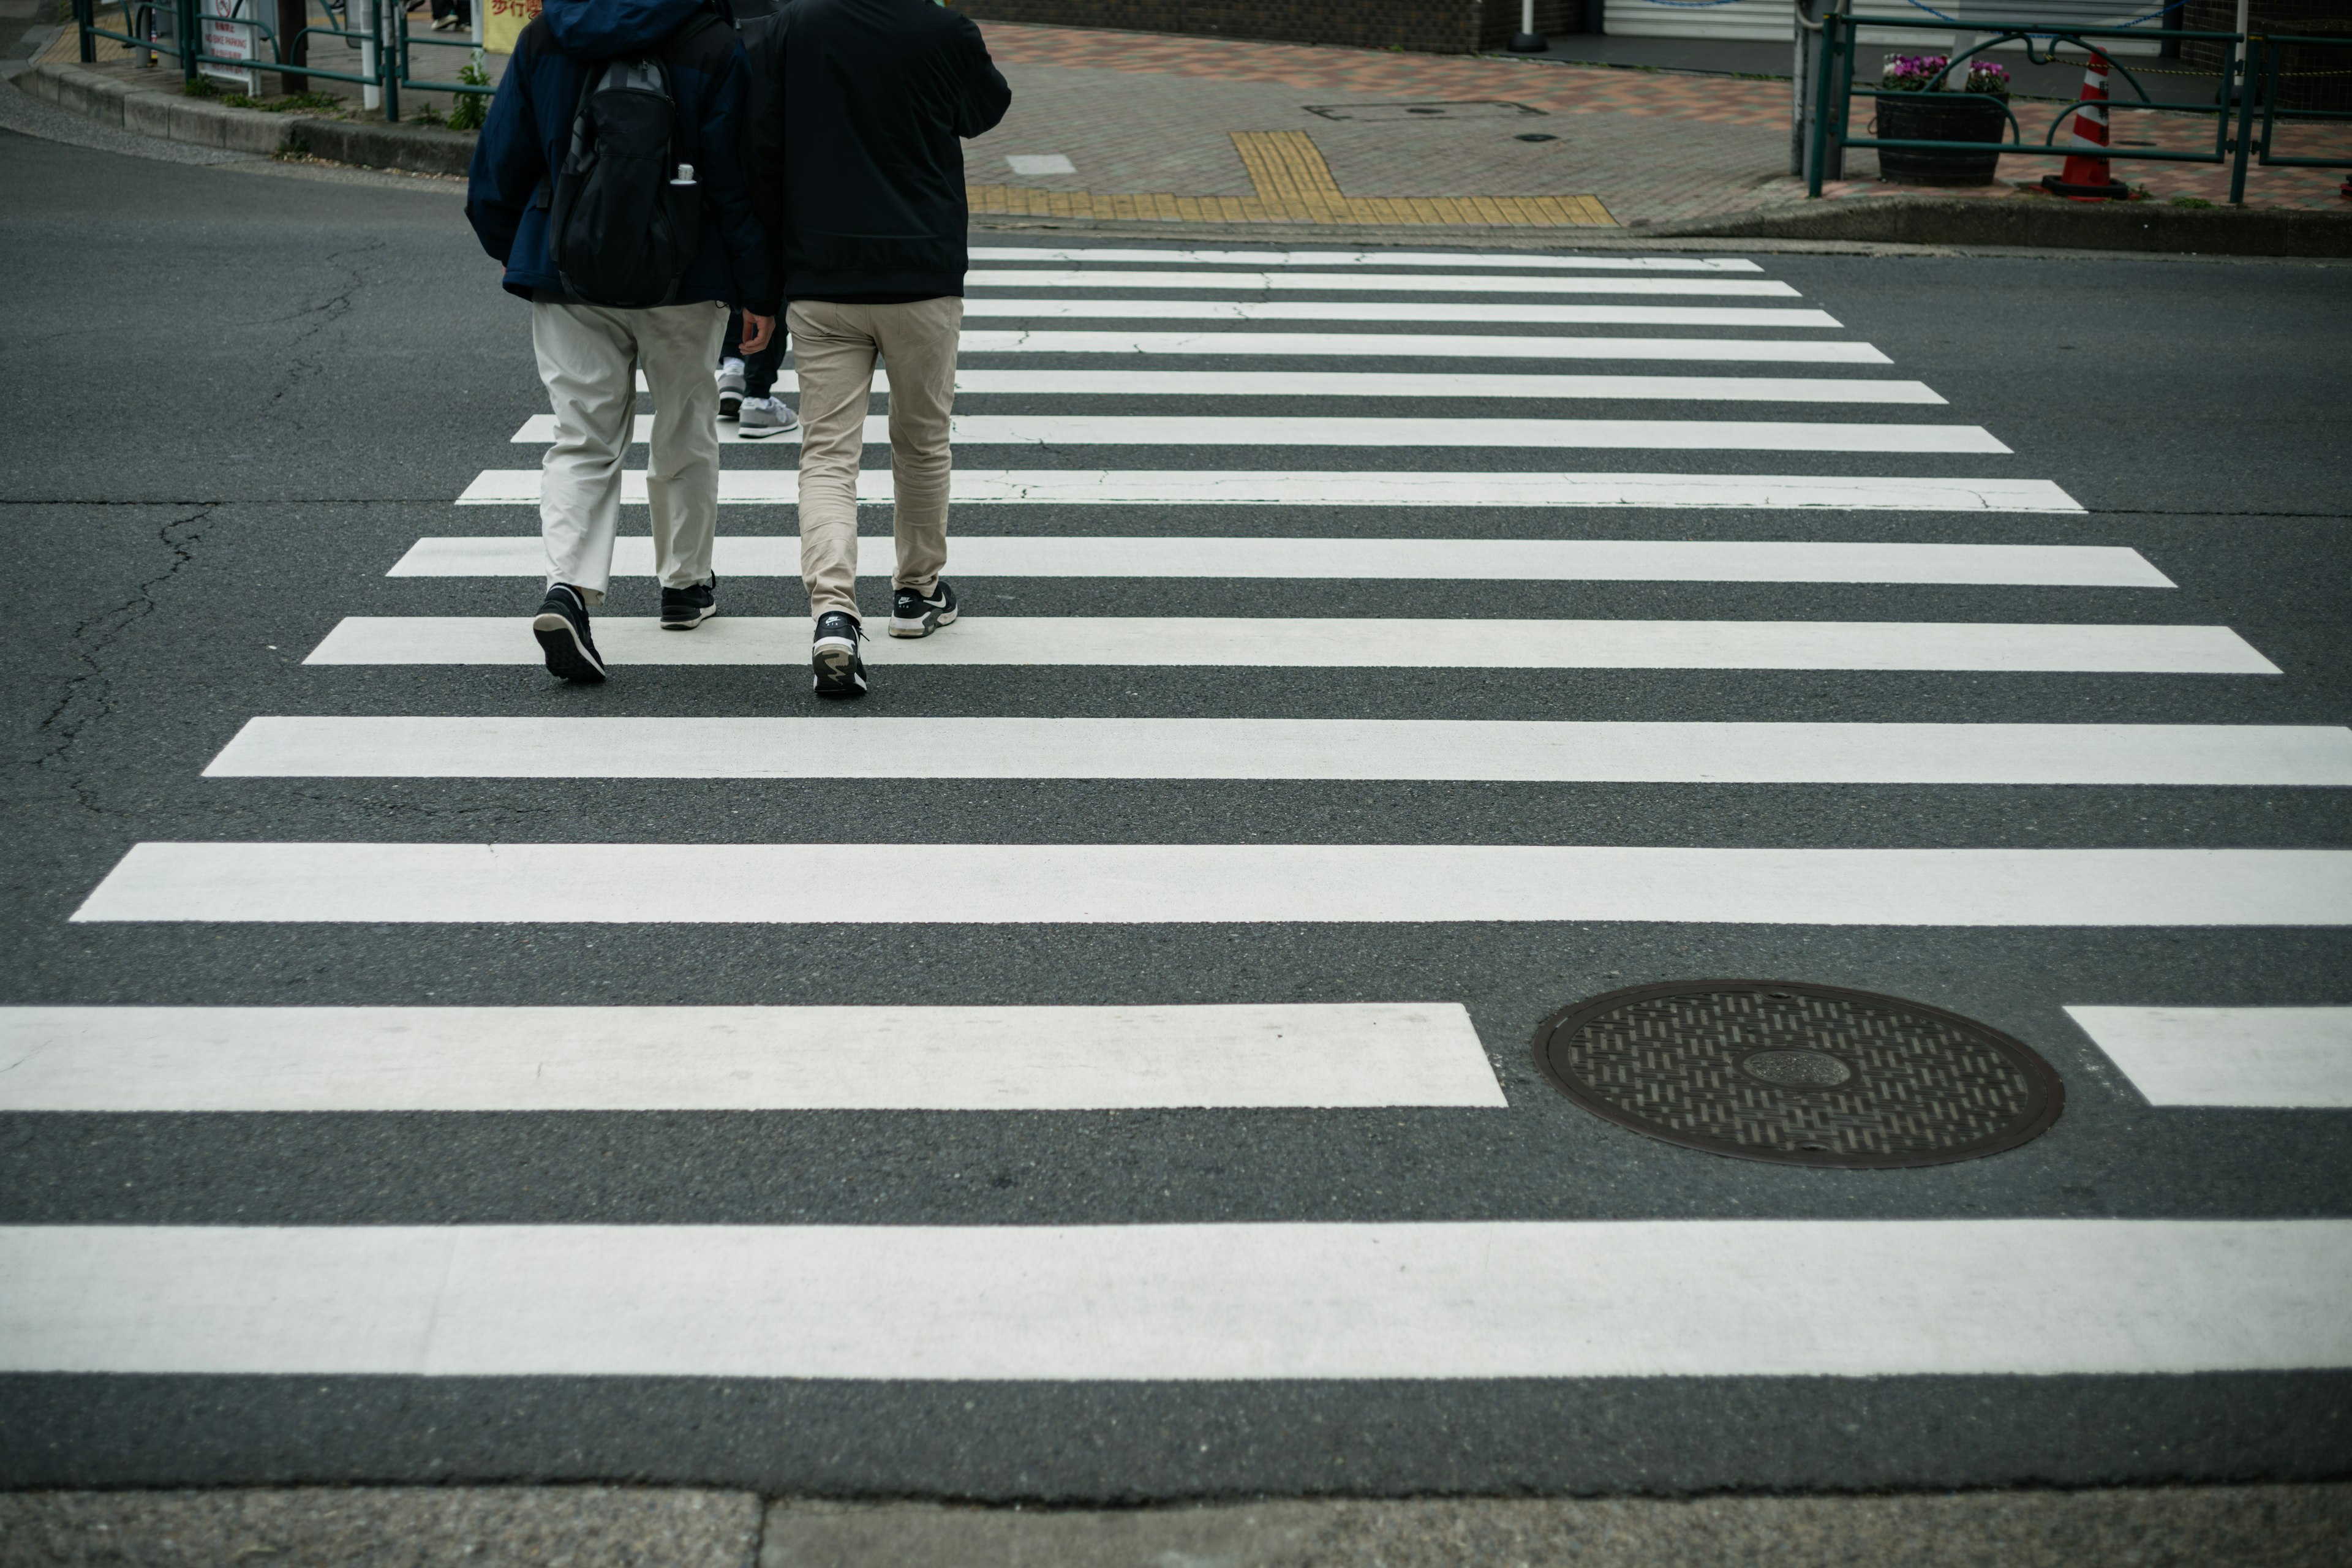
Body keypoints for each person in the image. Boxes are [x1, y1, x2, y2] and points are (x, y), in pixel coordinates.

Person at [466, 0, 777, 684]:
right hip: (684, 274)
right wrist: (759, 288)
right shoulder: (713, 42)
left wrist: (523, 246)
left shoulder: (549, 33)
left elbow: (499, 162)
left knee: (582, 435)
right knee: (687, 425)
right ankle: (684, 585)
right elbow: (735, 178)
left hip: (564, 265)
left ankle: (569, 591)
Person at [748, 0, 1010, 698]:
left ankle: (833, 612)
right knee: (921, 441)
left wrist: (764, 281)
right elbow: (987, 109)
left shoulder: (792, 29)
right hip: (921, 276)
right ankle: (916, 594)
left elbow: (762, 148)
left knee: (828, 453)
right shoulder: (942, 30)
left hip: (821, 274)